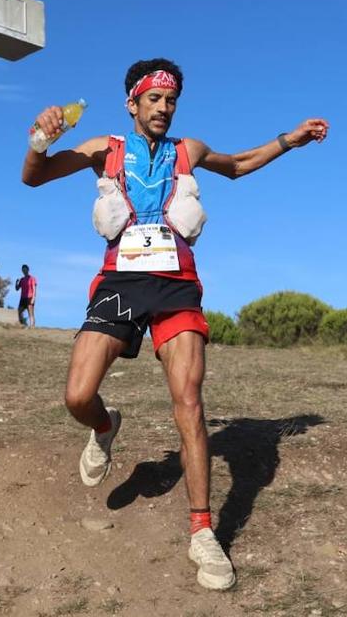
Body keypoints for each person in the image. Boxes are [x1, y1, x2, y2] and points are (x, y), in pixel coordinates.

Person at [21, 58, 328, 591]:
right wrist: (40, 140)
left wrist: (290, 140)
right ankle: (104, 426)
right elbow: (35, 176)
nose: (164, 109)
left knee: (188, 400)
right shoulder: (104, 149)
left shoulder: (189, 151)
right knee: (77, 395)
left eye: (171, 101)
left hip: (176, 285)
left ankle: (203, 532)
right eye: (154, 100)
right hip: (119, 283)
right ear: (132, 103)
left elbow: (237, 164)